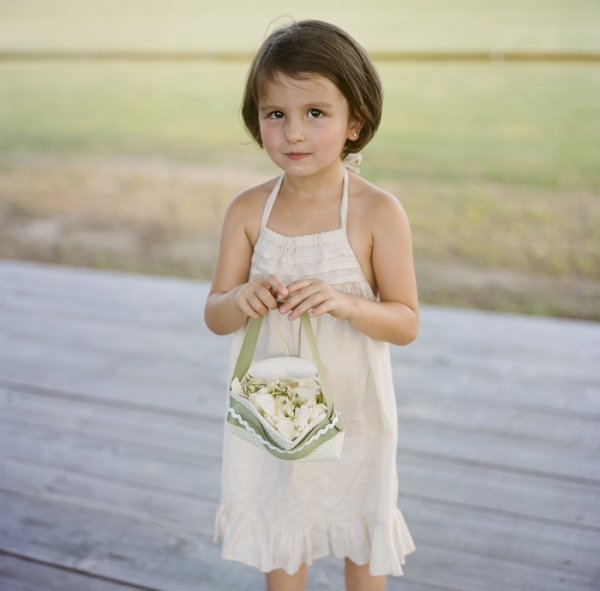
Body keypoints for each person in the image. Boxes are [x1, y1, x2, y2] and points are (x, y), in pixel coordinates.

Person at [204, 19, 419, 591]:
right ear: (258, 121)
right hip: (277, 406)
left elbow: (405, 322)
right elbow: (214, 313)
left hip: (356, 411)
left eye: (315, 114)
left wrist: (347, 304)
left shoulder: (377, 213)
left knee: (359, 520)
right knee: (284, 517)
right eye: (276, 114)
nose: (293, 133)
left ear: (356, 123)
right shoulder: (249, 211)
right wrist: (240, 299)